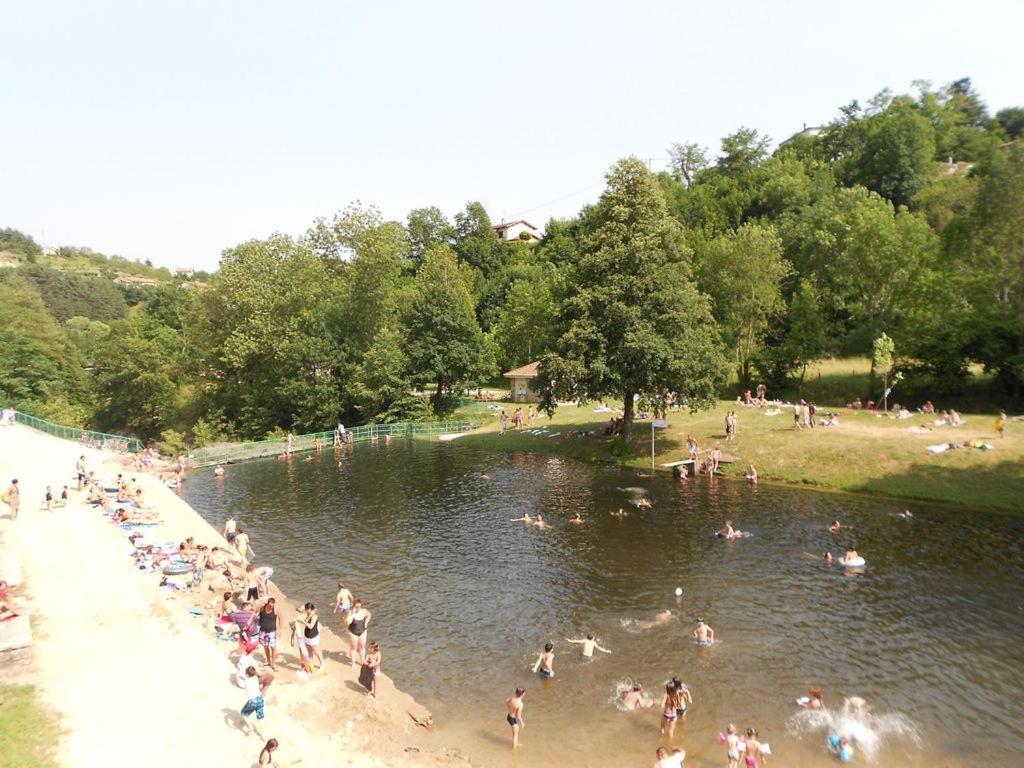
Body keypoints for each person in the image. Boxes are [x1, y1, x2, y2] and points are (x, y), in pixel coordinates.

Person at [240, 665, 273, 733]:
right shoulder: (255, 677)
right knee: (260, 718)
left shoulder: (247, 681)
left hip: (252, 701)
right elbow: (257, 671)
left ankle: (250, 727)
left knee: (243, 713)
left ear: (247, 674)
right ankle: (263, 735)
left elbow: (244, 677)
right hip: (260, 699)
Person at [294, 602, 322, 669]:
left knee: (315, 650)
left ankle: (322, 663)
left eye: (307, 609)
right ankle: (310, 664)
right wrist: (299, 609)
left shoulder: (314, 616)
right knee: (309, 650)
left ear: (310, 609)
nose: (306, 611)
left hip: (313, 636)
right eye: (305, 609)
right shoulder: (308, 612)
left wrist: (302, 621)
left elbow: (311, 626)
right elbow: (303, 606)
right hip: (307, 635)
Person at [257, 598, 282, 670]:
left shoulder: (276, 609)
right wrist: (259, 605)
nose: (271, 607)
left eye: (272, 606)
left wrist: (280, 630)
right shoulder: (262, 608)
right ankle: (268, 661)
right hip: (263, 631)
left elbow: (281, 618)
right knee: (265, 646)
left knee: (273, 647)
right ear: (267, 603)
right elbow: (255, 611)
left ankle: (273, 663)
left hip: (272, 631)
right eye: (270, 605)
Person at [346, 598, 371, 667]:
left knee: (362, 647)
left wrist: (366, 622)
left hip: (362, 631)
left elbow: (369, 615)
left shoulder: (363, 611)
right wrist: (353, 613)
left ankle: (362, 662)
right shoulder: (350, 613)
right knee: (354, 647)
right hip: (353, 632)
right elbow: (348, 622)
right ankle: (353, 663)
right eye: (357, 607)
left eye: (360, 606)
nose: (358, 608)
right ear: (353, 606)